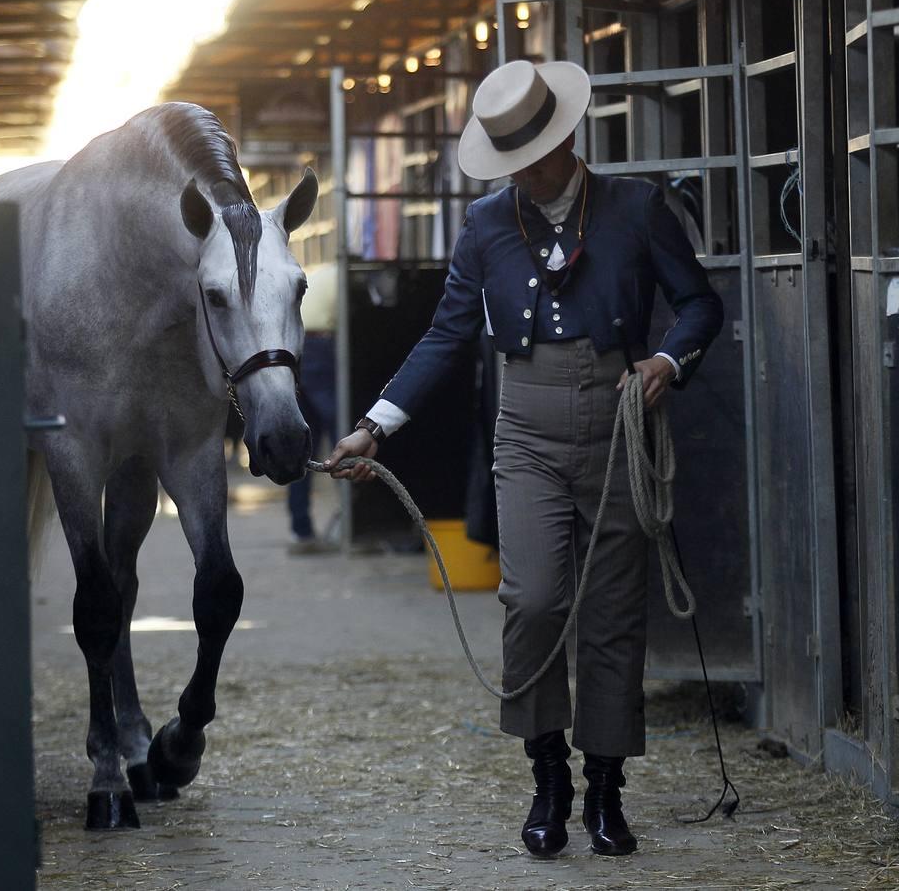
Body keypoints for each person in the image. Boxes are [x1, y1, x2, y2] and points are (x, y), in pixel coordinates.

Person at [324, 59, 723, 858]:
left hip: (616, 424)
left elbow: (699, 304)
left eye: (535, 160)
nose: (526, 178)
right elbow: (445, 334)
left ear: (567, 138)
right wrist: (377, 424)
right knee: (534, 600)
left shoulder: (636, 209)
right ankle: (549, 774)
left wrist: (666, 363)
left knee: (612, 616)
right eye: (511, 164)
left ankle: (606, 788)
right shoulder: (485, 225)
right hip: (526, 430)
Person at [287, 261, 339, 554]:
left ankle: (300, 528)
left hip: (299, 347)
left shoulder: (322, 274)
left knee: (303, 446)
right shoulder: (347, 278)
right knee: (345, 436)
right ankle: (350, 520)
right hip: (323, 348)